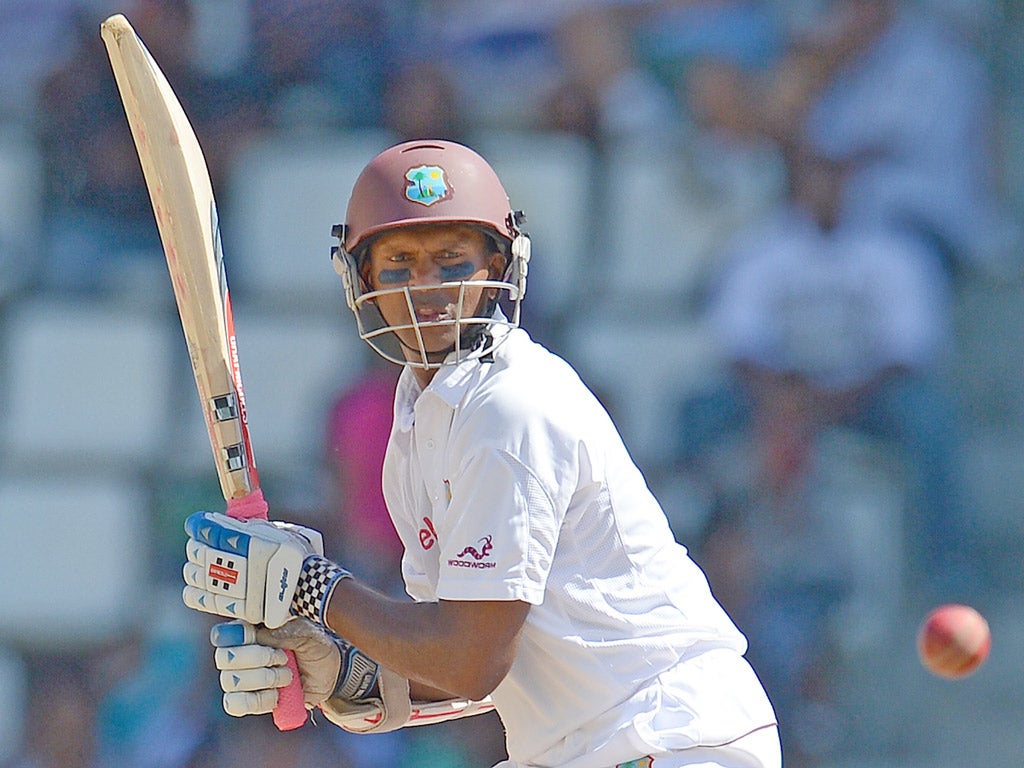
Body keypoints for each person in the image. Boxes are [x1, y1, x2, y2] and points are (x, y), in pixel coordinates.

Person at [179, 139, 780, 768]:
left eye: (450, 260)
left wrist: (310, 587)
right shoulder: (419, 427)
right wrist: (345, 675)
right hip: (593, 745)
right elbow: (478, 654)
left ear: (501, 264)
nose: (425, 288)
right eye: (399, 265)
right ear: (360, 281)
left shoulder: (509, 409)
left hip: (670, 735)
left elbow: (472, 662)